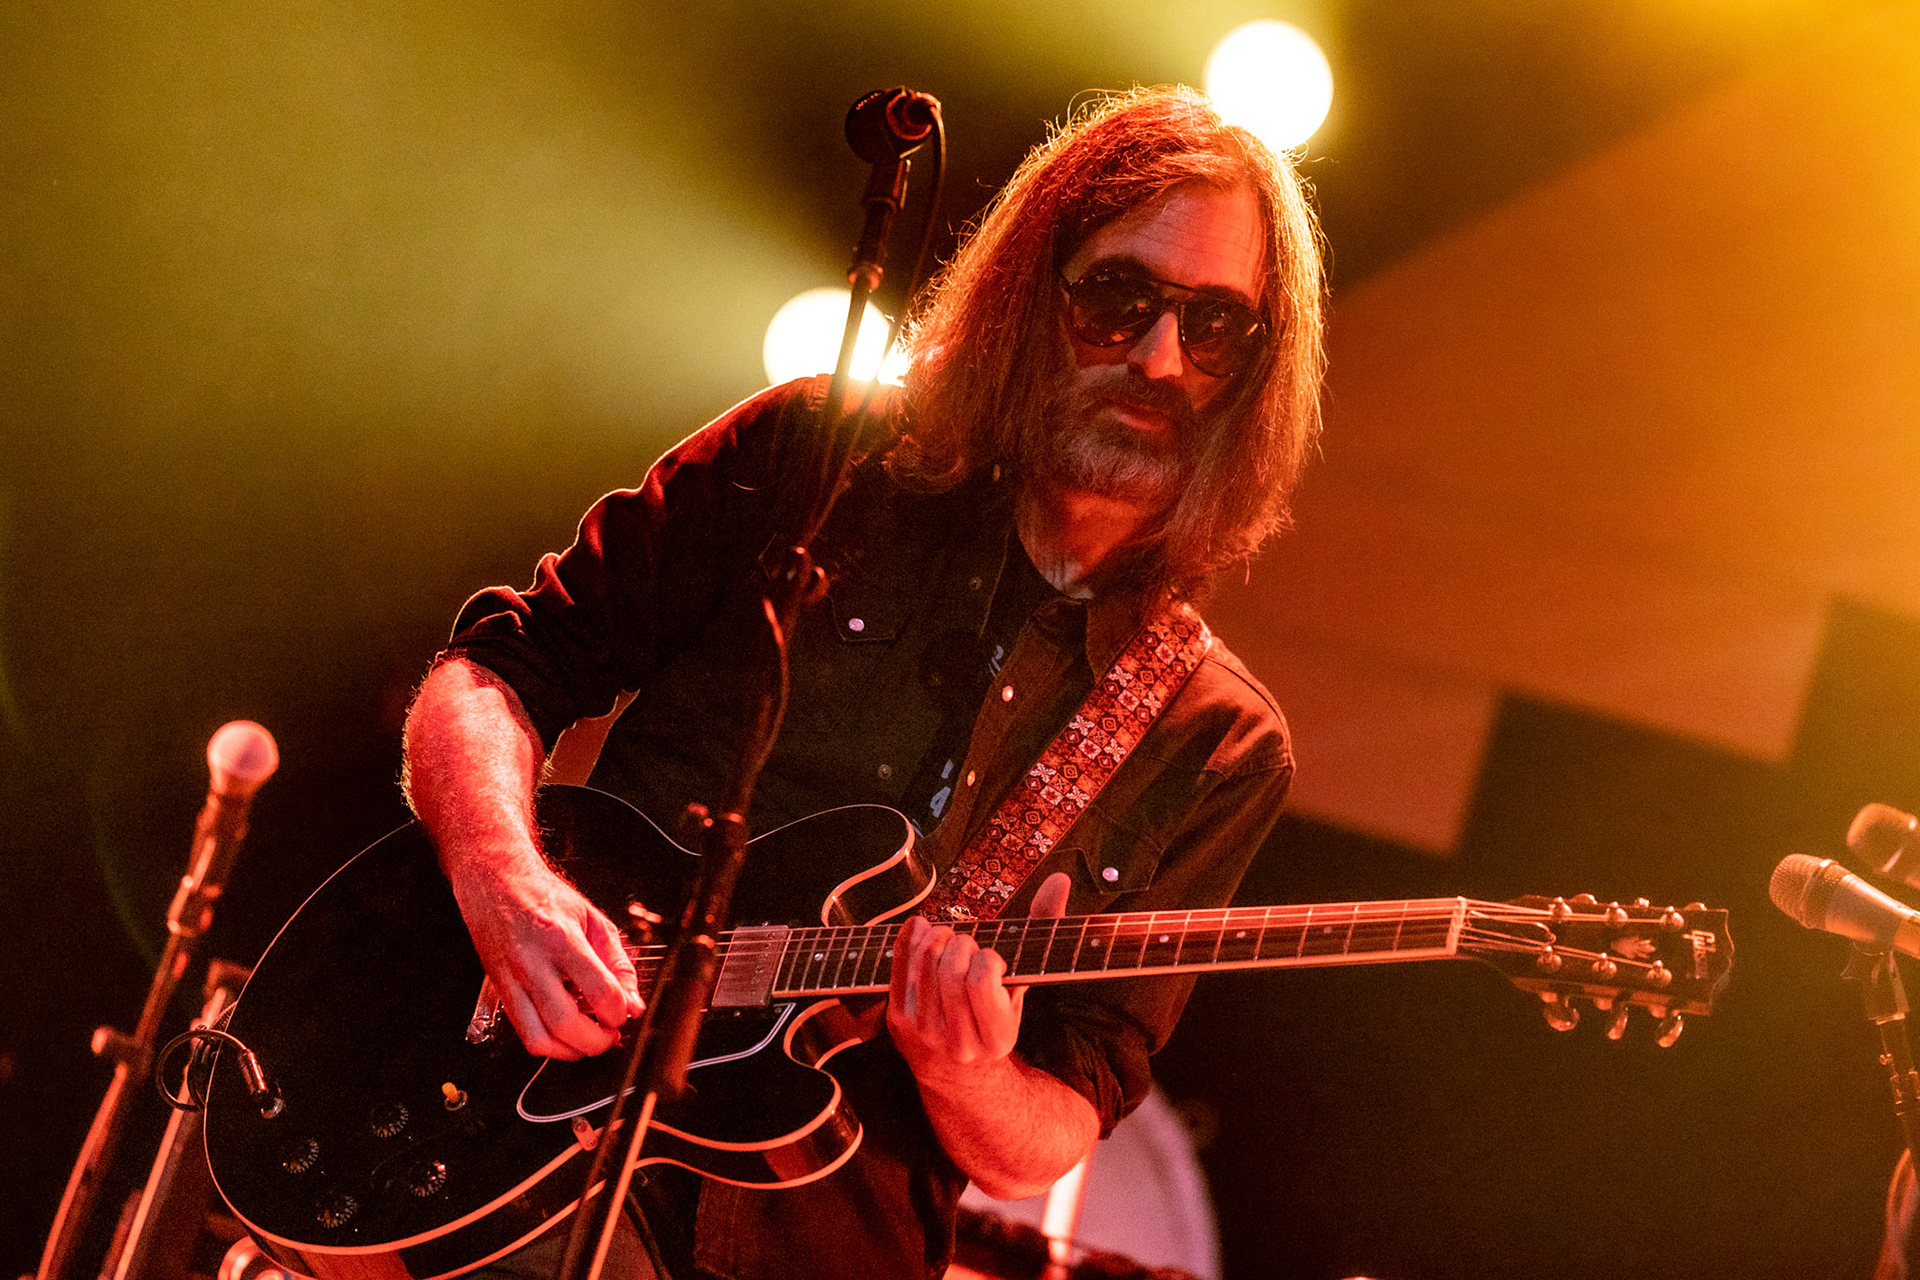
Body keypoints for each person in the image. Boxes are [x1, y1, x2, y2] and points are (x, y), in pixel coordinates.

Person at [401, 84, 1325, 1280]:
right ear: (1030, 293)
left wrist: (966, 1066)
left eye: (1214, 328)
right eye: (1117, 300)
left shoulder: (1216, 737)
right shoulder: (816, 458)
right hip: (527, 1151)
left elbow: (1062, 1114)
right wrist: (501, 876)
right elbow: (495, 670)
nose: (1160, 358)